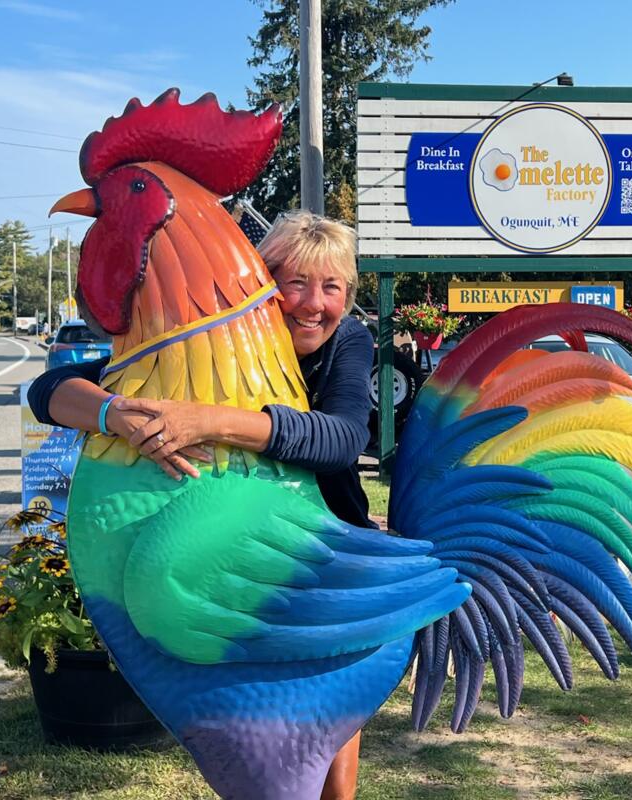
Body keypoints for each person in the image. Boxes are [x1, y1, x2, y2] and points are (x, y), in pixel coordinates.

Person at [28, 209, 375, 799]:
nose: (313, 304)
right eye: (295, 283)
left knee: (327, 696)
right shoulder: (212, 342)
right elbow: (48, 391)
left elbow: (341, 439)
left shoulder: (347, 340)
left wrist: (210, 420)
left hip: (324, 538)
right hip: (229, 549)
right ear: (263, 284)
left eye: (332, 286)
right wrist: (116, 412)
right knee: (256, 719)